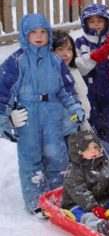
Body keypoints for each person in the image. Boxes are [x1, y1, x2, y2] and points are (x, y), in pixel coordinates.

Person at [0, 13, 85, 217]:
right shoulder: (16, 61)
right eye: (33, 32)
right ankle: (36, 201)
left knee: (57, 157)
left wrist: (75, 108)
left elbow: (67, 90)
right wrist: (4, 120)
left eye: (43, 32)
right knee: (31, 160)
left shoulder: (56, 61)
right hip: (27, 118)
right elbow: (3, 93)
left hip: (52, 115)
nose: (39, 36)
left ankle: (58, 196)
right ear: (25, 35)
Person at [61, 130, 109, 236]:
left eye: (95, 147)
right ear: (79, 152)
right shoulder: (73, 172)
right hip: (77, 203)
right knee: (84, 215)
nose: (94, 151)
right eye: (88, 149)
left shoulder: (104, 164)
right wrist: (93, 207)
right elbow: (80, 193)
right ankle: (97, 225)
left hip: (101, 199)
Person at [75, 3, 109, 153]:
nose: (96, 25)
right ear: (85, 23)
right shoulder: (80, 43)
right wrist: (94, 57)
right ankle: (93, 157)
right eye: (91, 21)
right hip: (89, 92)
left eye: (99, 21)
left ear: (107, 22)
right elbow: (78, 68)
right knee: (91, 125)